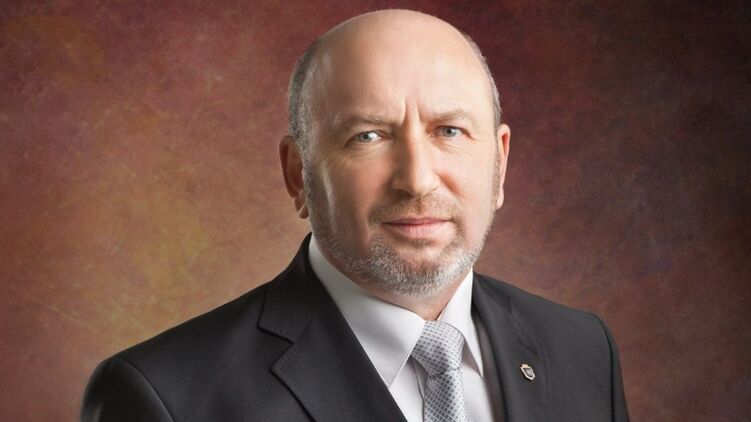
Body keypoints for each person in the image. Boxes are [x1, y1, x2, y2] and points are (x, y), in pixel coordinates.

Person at [81, 9, 629, 422]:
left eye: (449, 131)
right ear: (298, 174)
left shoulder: (583, 350)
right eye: (368, 136)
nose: (417, 179)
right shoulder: (166, 397)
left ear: (499, 165)